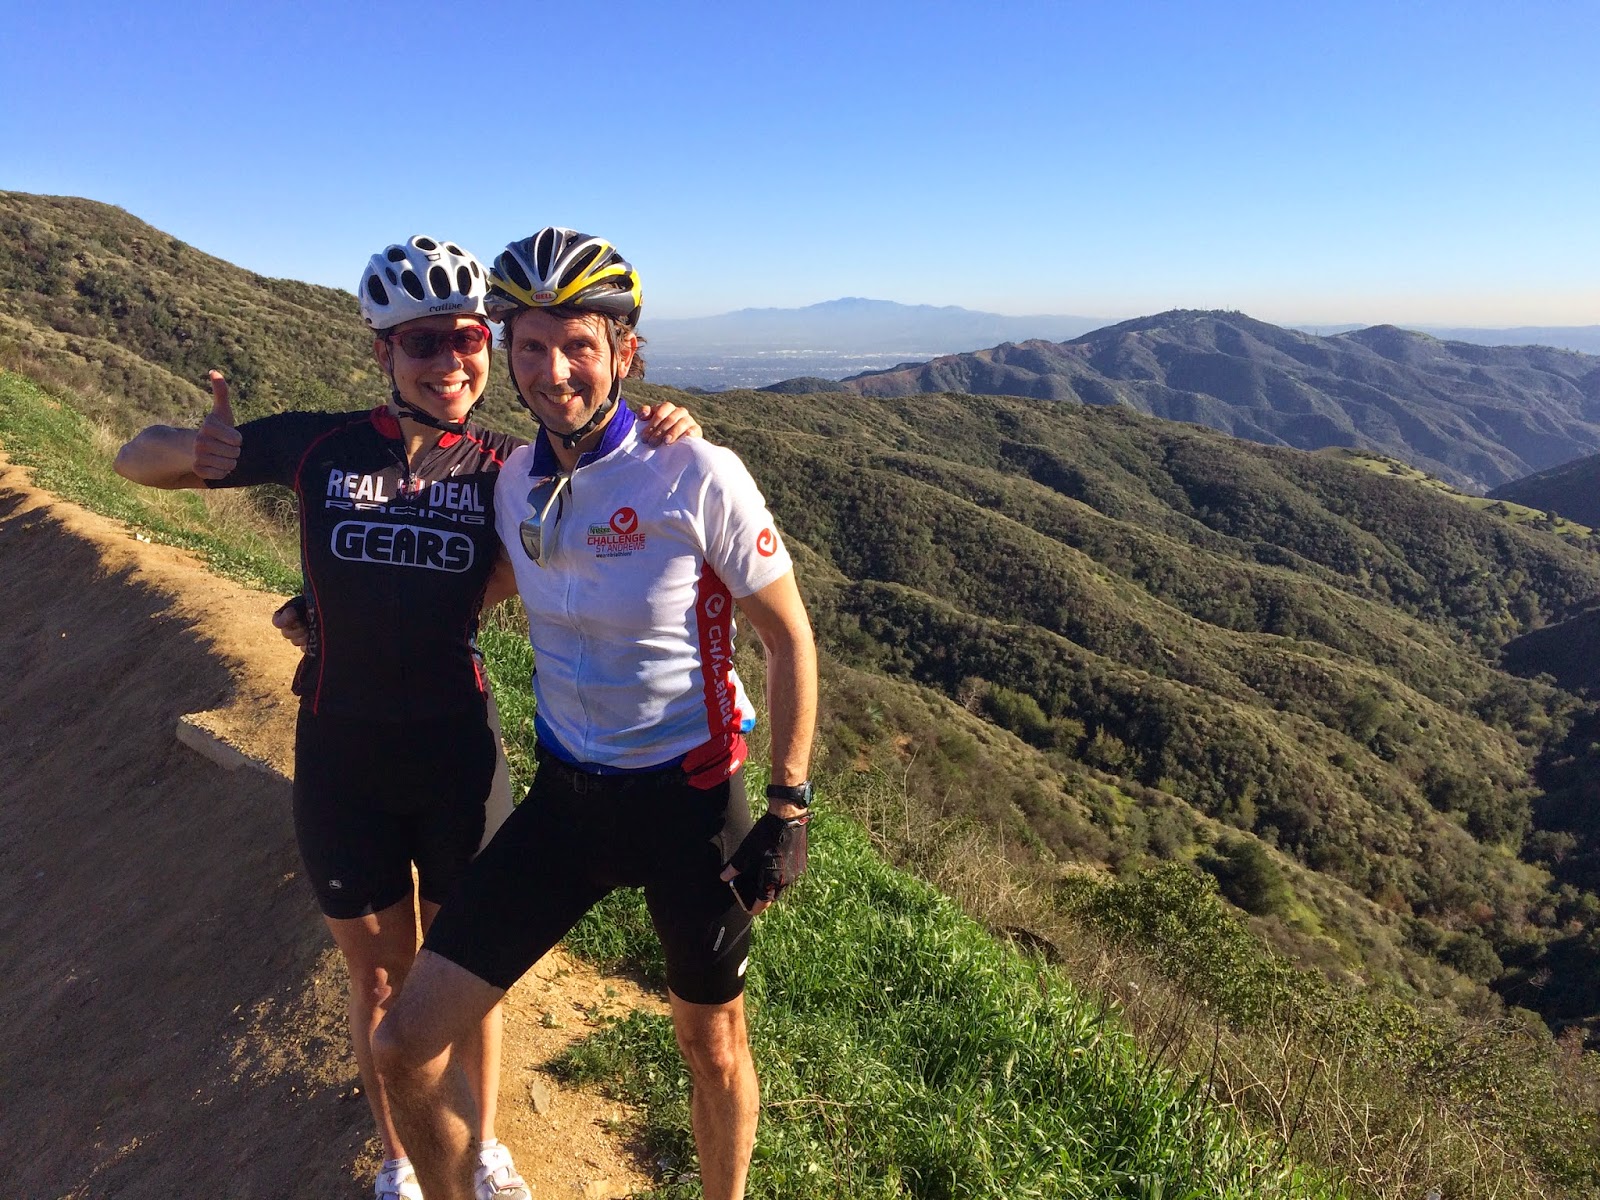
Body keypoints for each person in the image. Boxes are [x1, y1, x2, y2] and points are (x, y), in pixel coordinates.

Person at [112, 235, 700, 1200]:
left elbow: (608, 493)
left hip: (456, 751)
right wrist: (195, 449)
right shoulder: (324, 445)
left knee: (467, 968)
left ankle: (484, 1145)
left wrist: (671, 425)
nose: (450, 361)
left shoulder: (507, 465)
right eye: (423, 342)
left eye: (468, 338)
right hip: (341, 753)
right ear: (382, 351)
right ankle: (399, 1160)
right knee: (380, 980)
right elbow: (134, 461)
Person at [371, 227, 818, 1200]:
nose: (553, 370)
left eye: (578, 344)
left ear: (625, 351)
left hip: (691, 803)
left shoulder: (694, 472)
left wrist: (789, 805)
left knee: (711, 1044)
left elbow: (789, 638)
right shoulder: (512, 479)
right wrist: (338, 617)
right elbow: (482, 584)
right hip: (567, 802)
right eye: (531, 346)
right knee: (402, 1045)